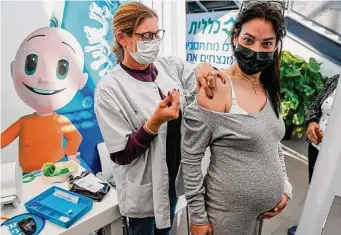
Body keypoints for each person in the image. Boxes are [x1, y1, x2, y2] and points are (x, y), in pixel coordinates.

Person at [94, 2, 222, 234]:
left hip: (171, 180)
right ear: (122, 38)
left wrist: (205, 68)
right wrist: (154, 123)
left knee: (166, 229)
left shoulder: (168, 66)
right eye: (147, 36)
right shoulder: (110, 88)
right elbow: (121, 155)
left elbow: (198, 73)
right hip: (143, 190)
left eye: (157, 34)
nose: (154, 41)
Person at [181, 2, 293, 235]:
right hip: (225, 215)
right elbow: (191, 159)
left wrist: (285, 187)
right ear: (235, 38)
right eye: (248, 40)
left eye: (267, 43)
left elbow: (273, 144)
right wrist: (198, 218)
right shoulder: (216, 88)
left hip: (259, 215)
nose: (256, 50)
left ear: (275, 46)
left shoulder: (268, 87)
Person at [1, 27, 88, 173]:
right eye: (31, 64)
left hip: (55, 172)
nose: (45, 79)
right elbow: (2, 140)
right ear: (13, 69)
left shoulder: (61, 121)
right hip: (27, 177)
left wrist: (71, 155)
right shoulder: (24, 122)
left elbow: (75, 138)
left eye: (62, 69)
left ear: (81, 80)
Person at [305, 73, 340, 183]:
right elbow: (315, 107)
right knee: (313, 189)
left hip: (337, 157)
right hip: (317, 146)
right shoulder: (335, 79)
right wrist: (312, 122)